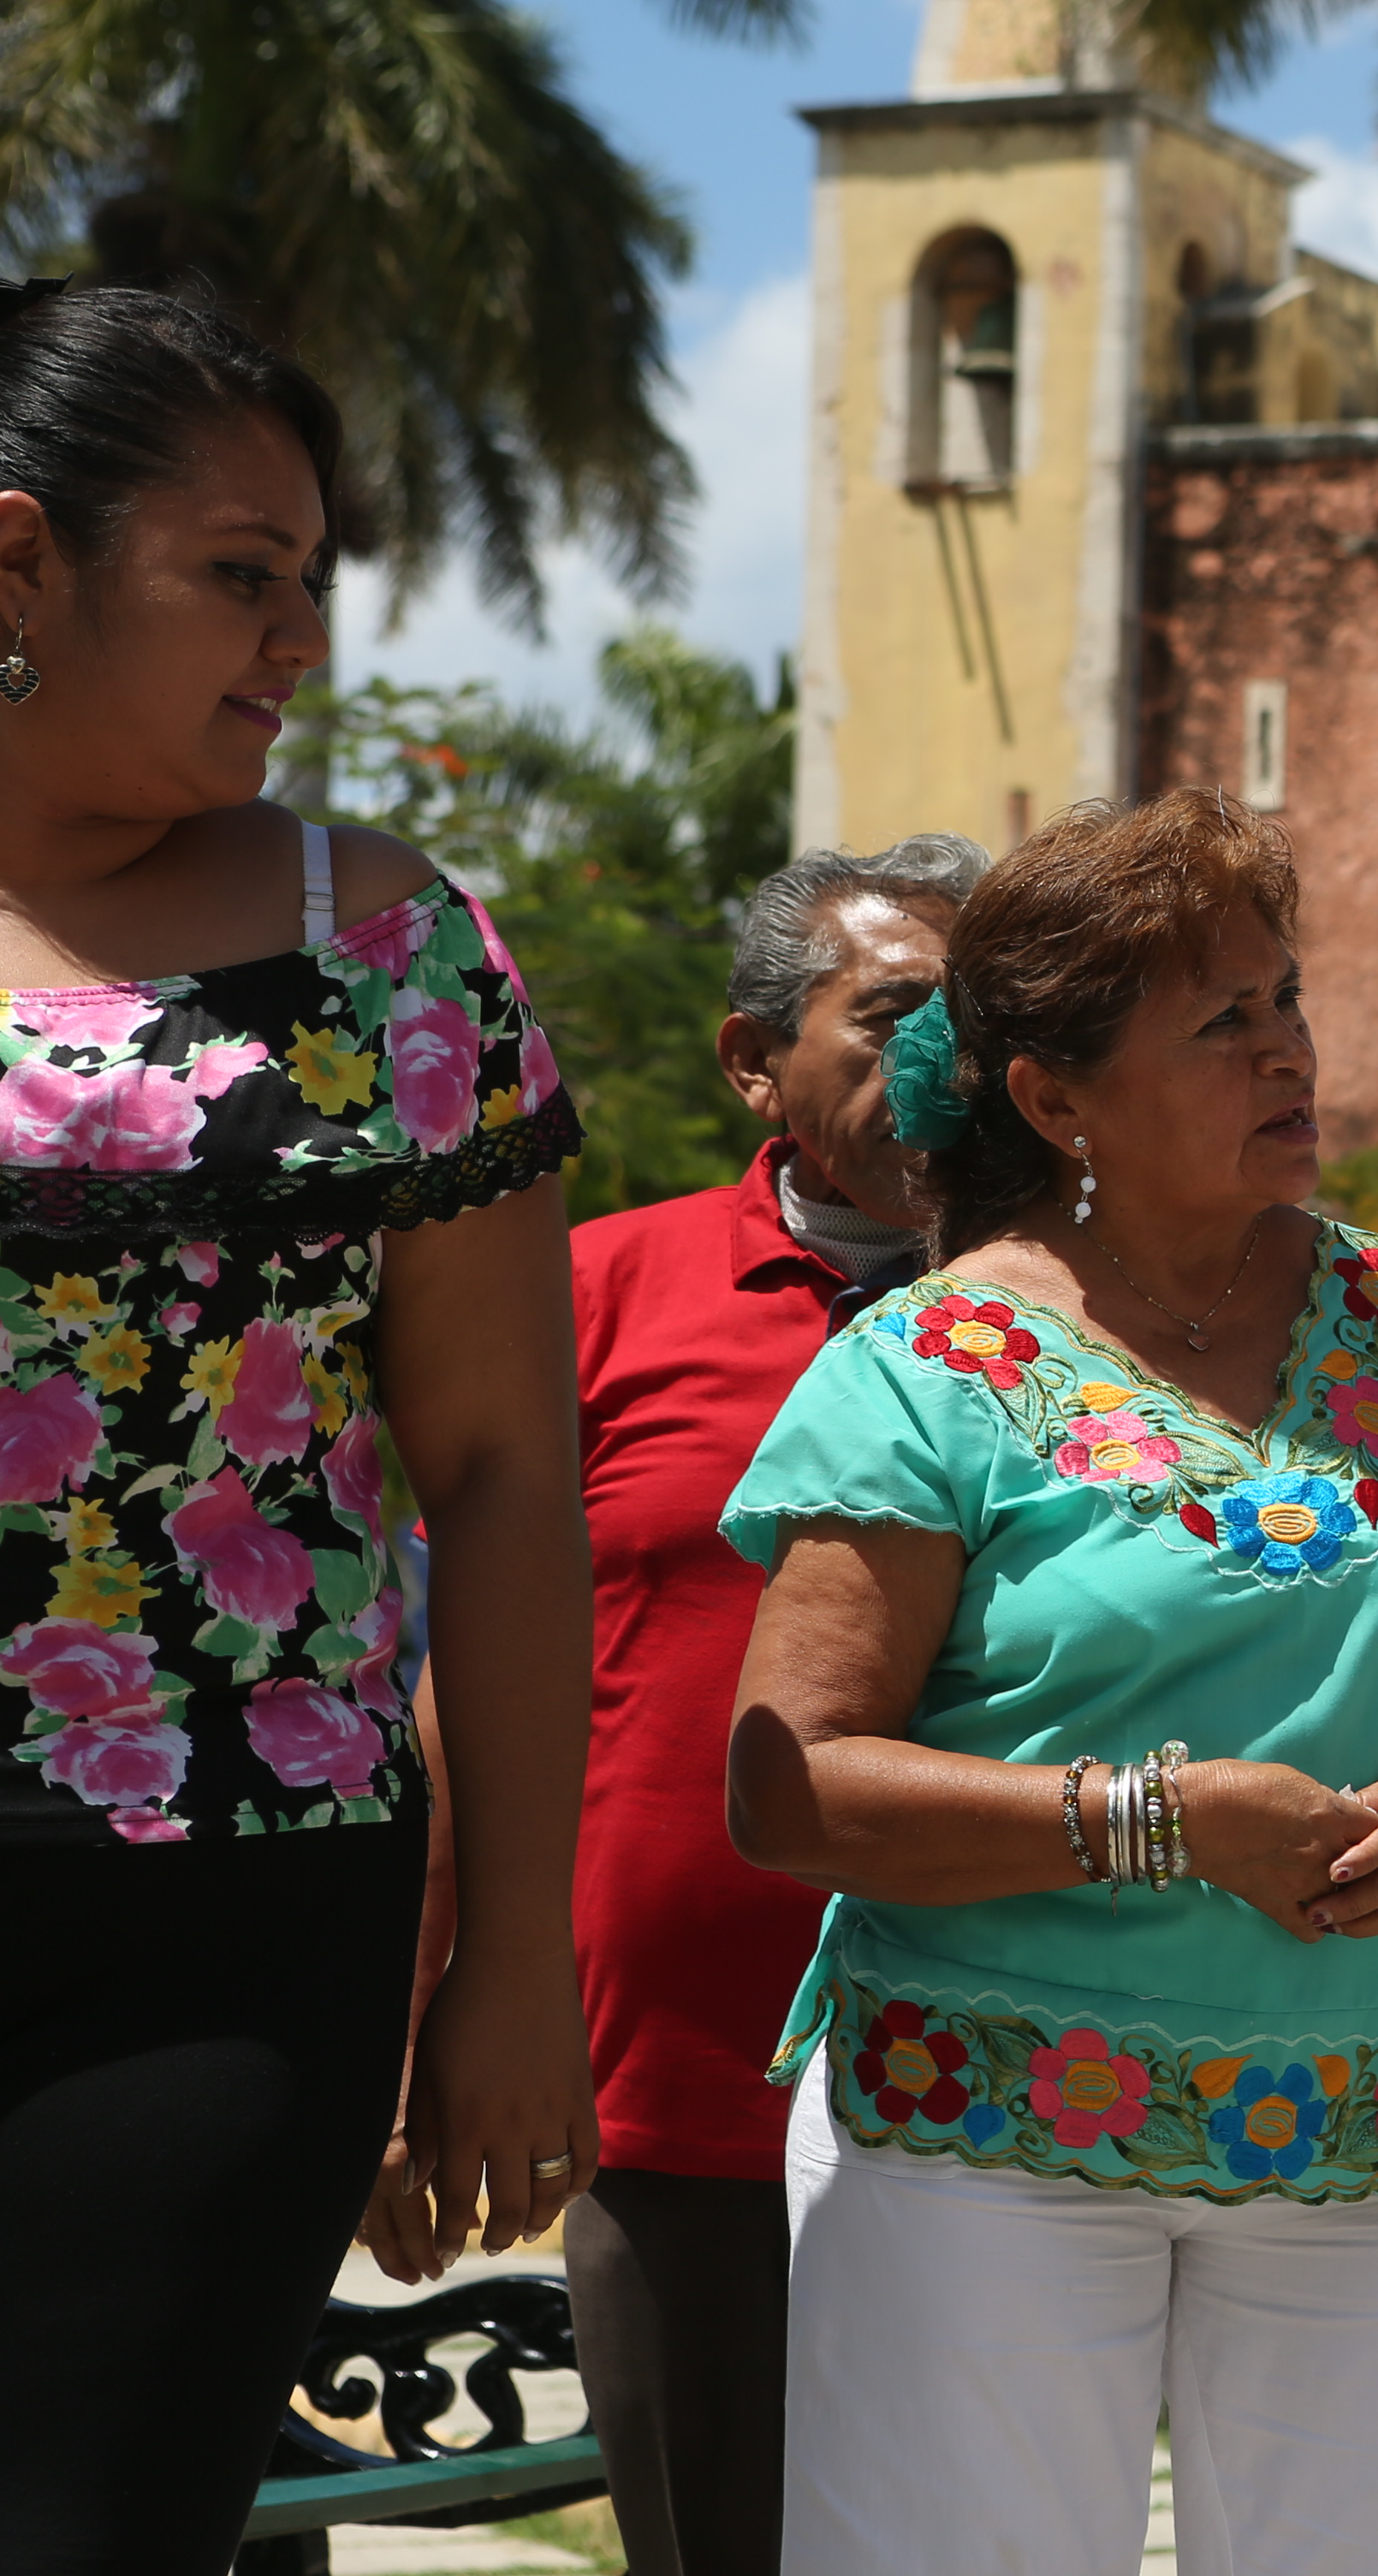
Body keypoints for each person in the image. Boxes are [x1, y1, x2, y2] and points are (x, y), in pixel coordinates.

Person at [719, 789, 1378, 2576]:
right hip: (991, 2131)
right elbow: (791, 1782)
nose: (1287, 1051)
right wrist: (1159, 1824)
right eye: (1222, 1024)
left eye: (1286, 1003)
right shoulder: (929, 1365)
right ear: (1056, 1101)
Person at [0, 278, 598, 2567]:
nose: (303, 642)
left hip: (232, 1930)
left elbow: (504, 1471)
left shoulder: (395, 947)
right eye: (240, 576)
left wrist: (513, 1954)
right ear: (19, 562)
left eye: (317, 580)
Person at [540, 835, 983, 2576]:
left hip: (1018, 2073)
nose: (939, 1064)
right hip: (679, 2084)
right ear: (755, 1060)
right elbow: (468, 1671)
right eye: (889, 1020)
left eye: (978, 1018)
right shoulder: (598, 1293)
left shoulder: (1102, 1327)